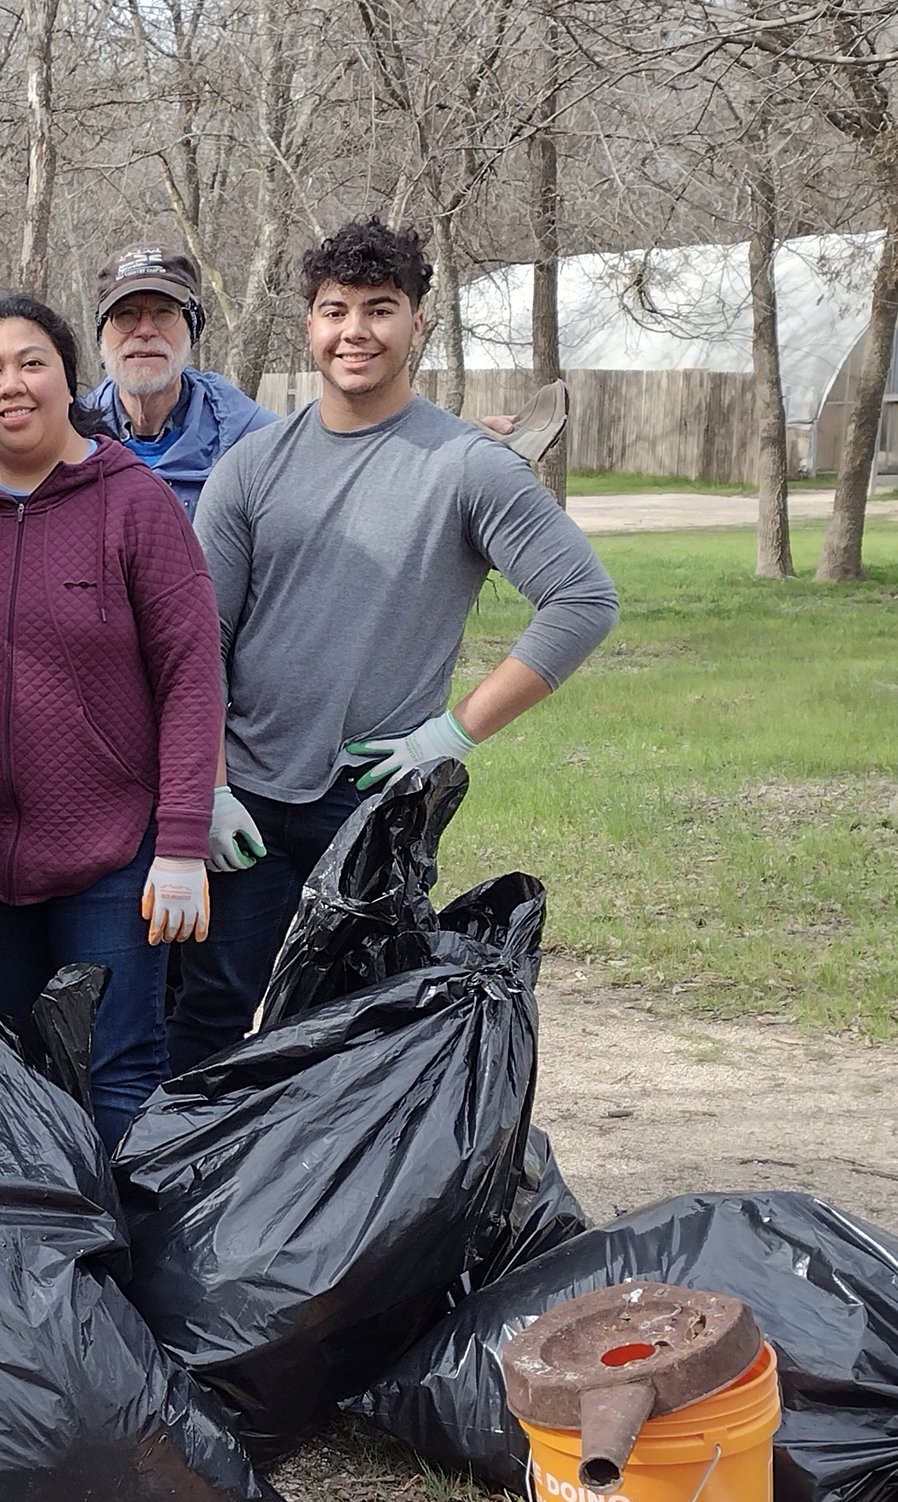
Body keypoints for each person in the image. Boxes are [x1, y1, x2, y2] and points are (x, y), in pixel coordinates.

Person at [168, 217, 618, 1073]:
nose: (356, 331)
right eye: (335, 309)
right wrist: (211, 787)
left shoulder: (468, 468)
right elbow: (198, 645)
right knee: (210, 1011)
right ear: (310, 324)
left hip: (373, 804)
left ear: (417, 323)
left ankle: (334, 1199)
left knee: (356, 1030)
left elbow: (584, 600)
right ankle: (197, 1196)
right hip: (249, 805)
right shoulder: (253, 467)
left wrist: (450, 735)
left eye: (381, 308)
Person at [0, 294, 221, 1151]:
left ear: (70, 381)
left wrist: (181, 841)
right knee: (29, 1071)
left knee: (119, 1066)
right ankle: (57, 1272)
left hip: (117, 855)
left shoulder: (134, 505)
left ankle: (134, 1276)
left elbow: (192, 676)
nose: (11, 385)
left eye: (32, 364)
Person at [0, 245, 274, 519]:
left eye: (163, 312)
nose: (144, 331)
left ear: (193, 328)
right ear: (101, 335)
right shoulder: (67, 430)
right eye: (124, 315)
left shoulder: (250, 441)